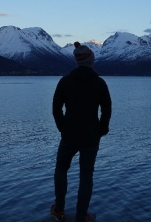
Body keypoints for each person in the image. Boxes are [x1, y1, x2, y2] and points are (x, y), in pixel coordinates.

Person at [51, 42, 112, 222]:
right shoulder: (99, 83)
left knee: (61, 169)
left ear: (77, 62)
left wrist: (63, 128)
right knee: (86, 176)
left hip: (69, 135)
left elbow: (56, 109)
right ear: (91, 61)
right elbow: (107, 110)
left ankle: (59, 210)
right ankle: (80, 216)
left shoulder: (65, 81)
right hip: (91, 137)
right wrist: (101, 129)